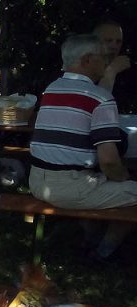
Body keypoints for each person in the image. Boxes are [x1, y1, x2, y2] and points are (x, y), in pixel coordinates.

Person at [29, 34, 137, 263]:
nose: (106, 62)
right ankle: (102, 252)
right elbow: (109, 161)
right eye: (103, 57)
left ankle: (90, 239)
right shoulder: (100, 99)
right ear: (87, 60)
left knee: (101, 181)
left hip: (37, 182)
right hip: (70, 188)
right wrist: (125, 177)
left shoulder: (52, 90)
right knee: (127, 187)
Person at [93, 19, 137, 114]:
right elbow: (95, 109)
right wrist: (111, 71)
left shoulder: (128, 71)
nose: (114, 46)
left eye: (118, 41)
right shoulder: (81, 70)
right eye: (108, 40)